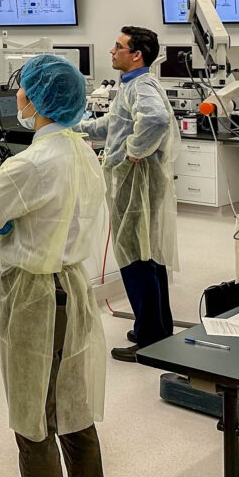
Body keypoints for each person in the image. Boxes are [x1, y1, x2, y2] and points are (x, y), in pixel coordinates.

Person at [0, 55, 112, 477]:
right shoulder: (82, 151)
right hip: (73, 288)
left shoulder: (32, 162)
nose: (17, 97)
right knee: (75, 411)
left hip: (37, 300)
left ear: (37, 99)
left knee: (33, 423)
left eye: (22, 89)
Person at [75, 27, 180, 362]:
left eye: (118, 46)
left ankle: (150, 340)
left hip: (135, 183)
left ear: (137, 54)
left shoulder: (142, 85)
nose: (111, 51)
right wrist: (78, 126)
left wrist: (134, 151)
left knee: (137, 259)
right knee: (147, 255)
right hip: (134, 182)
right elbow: (114, 124)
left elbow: (156, 118)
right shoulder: (131, 86)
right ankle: (157, 327)